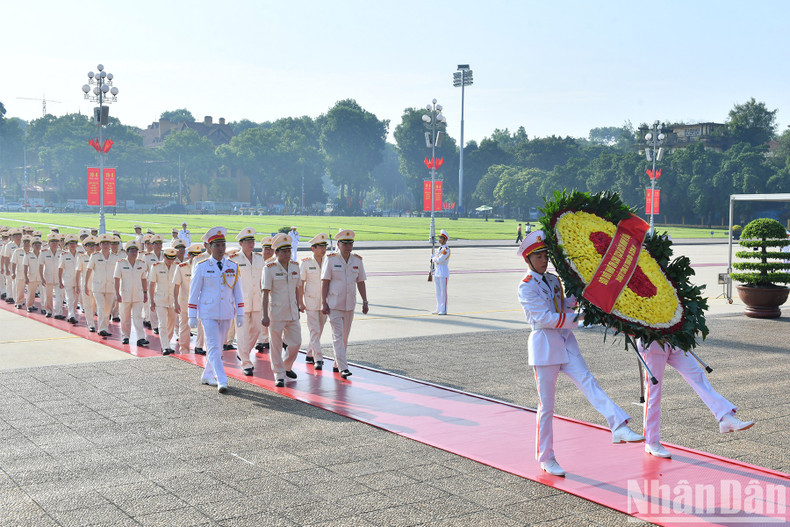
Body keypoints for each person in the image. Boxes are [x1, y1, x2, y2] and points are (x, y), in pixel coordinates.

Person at [517, 230, 644, 477]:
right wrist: (582, 318)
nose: (544, 260)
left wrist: (583, 292)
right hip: (545, 346)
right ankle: (546, 457)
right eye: (539, 256)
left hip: (565, 341)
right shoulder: (526, 287)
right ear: (528, 260)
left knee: (589, 382)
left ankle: (618, 424)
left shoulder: (553, 281)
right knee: (547, 407)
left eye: (545, 255)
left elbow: (561, 306)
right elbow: (544, 318)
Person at [637, 340, 754, 458]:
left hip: (675, 341)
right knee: (653, 392)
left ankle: (724, 417)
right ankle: (651, 441)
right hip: (652, 345)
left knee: (697, 376)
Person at [188, 227, 244, 393]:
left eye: (223, 244)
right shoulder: (202, 266)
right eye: (217, 245)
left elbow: (238, 292)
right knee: (212, 346)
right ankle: (222, 379)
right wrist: (192, 315)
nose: (221, 248)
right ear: (209, 247)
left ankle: (207, 375)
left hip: (226, 312)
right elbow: (194, 293)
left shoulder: (232, 266)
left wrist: (240, 312)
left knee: (219, 347)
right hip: (208, 313)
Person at [321, 229, 369, 379]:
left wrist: (365, 301)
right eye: (345, 243)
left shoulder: (357, 260)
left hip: (349, 305)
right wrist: (324, 302)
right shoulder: (331, 259)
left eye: (350, 243)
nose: (348, 246)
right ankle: (343, 367)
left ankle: (337, 363)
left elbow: (360, 282)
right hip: (334, 304)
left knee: (344, 338)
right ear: (338, 244)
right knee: (337, 336)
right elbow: (325, 282)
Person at [262, 233, 304, 387]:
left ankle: (286, 366)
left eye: (289, 251)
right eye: (284, 251)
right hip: (276, 313)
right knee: (276, 345)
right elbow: (265, 293)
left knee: (296, 343)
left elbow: (297, 288)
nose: (288, 254)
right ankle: (279, 374)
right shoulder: (269, 268)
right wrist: (265, 315)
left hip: (292, 312)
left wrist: (299, 306)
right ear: (277, 252)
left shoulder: (295, 266)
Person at [231, 228, 265, 375]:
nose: (251, 244)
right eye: (248, 241)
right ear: (240, 243)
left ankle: (243, 352)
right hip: (240, 303)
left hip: (257, 300)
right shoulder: (233, 260)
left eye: (252, 241)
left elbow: (262, 281)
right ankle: (246, 363)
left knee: (257, 331)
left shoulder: (259, 258)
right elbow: (230, 283)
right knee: (243, 333)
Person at [301, 233, 329, 369]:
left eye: (325, 246)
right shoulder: (306, 262)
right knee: (314, 330)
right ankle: (318, 358)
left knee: (320, 329)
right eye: (320, 247)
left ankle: (310, 353)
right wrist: (300, 301)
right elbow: (301, 283)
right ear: (313, 248)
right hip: (311, 300)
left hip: (325, 301)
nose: (323, 249)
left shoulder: (329, 261)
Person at [114, 240, 149, 346]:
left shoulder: (141, 264)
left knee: (138, 316)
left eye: (136, 251)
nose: (134, 253)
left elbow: (143, 279)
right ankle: (125, 336)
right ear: (126, 252)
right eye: (132, 251)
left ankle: (141, 337)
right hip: (125, 294)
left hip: (138, 294)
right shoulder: (120, 264)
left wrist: (145, 292)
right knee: (125, 317)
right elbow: (116, 279)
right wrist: (117, 293)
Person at [85, 234, 120, 336]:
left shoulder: (115, 257)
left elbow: (118, 273)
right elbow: (89, 270)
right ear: (100, 245)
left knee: (107, 309)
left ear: (110, 245)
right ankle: (102, 329)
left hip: (110, 287)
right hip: (98, 287)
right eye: (103, 243)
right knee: (100, 307)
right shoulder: (95, 256)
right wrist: (85, 285)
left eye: (107, 243)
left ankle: (104, 327)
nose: (105, 245)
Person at [173, 243, 204, 354]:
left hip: (200, 301)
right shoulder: (181, 267)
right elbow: (176, 286)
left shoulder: (203, 266)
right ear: (189, 255)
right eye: (193, 255)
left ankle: (199, 346)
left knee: (202, 325)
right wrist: (175, 302)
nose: (196, 258)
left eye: (198, 255)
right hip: (185, 301)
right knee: (184, 326)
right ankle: (184, 349)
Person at [149, 247, 179, 355]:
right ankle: (165, 346)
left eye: (173, 258)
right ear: (164, 256)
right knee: (162, 323)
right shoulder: (156, 267)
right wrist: (151, 301)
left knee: (171, 322)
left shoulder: (177, 267)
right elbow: (152, 284)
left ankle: (167, 342)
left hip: (173, 300)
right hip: (160, 299)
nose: (171, 260)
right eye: (168, 258)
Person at [255, 236, 275, 353]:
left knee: (270, 316)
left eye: (271, 249)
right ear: (262, 249)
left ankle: (267, 340)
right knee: (260, 317)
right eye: (266, 248)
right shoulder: (257, 260)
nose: (269, 251)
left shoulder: (274, 262)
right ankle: (260, 341)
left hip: (270, 293)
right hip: (257, 292)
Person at [58, 235, 81, 324]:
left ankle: (71, 315)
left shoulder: (80, 255)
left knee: (75, 300)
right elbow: (60, 268)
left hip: (78, 281)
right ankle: (71, 315)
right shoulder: (64, 255)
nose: (72, 245)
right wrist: (60, 281)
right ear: (68, 245)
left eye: (74, 243)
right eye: (71, 243)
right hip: (68, 280)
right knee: (69, 298)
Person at [40, 233, 63, 318]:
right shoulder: (44, 253)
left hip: (58, 278)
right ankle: (48, 311)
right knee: (48, 296)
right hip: (48, 277)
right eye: (52, 241)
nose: (54, 243)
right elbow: (41, 265)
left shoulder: (62, 253)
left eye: (56, 242)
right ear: (49, 243)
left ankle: (58, 313)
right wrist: (42, 278)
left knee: (59, 296)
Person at [431, 229, 450, 315]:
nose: (439, 240)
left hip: (443, 271)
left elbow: (439, 260)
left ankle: (444, 309)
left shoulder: (446, 249)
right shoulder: (440, 248)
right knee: (438, 291)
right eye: (439, 238)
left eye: (441, 238)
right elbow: (437, 260)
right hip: (438, 271)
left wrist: (433, 258)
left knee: (443, 292)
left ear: (445, 240)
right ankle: (438, 308)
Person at [2, 228, 22, 305]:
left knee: (19, 284)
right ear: (12, 237)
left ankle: (18, 298)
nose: (18, 237)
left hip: (21, 267)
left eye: (19, 235)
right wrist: (6, 268)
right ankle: (11, 297)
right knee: (10, 282)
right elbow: (6, 257)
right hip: (11, 267)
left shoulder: (23, 244)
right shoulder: (9, 245)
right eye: (16, 235)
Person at [23, 237, 44, 312]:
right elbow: (25, 266)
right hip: (32, 276)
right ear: (32, 246)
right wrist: (25, 277)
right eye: (36, 245)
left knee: (43, 293)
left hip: (41, 277)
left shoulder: (43, 254)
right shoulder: (28, 255)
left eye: (39, 245)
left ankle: (44, 307)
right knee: (31, 292)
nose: (38, 247)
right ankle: (29, 306)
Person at [11, 235, 32, 309]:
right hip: (20, 273)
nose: (27, 243)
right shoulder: (17, 251)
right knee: (19, 289)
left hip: (30, 274)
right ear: (23, 243)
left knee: (31, 291)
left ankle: (30, 305)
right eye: (25, 242)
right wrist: (13, 272)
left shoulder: (33, 252)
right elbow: (13, 263)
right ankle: (19, 302)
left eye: (28, 242)